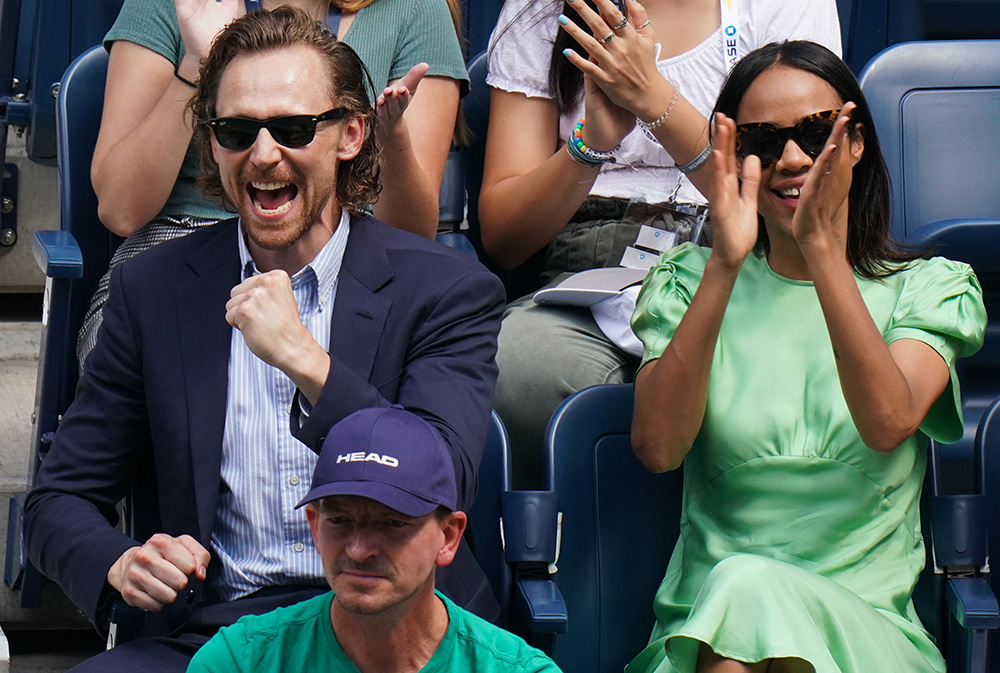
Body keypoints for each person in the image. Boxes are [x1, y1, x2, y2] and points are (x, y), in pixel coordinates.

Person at [24, 8, 505, 671]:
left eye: (293, 127)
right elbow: (56, 501)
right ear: (212, 142)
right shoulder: (156, 289)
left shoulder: (445, 291)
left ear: (351, 134)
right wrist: (120, 562)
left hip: (397, 631)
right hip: (220, 631)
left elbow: (441, 475)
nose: (264, 152)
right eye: (237, 130)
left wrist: (307, 362)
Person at [627, 40, 986, 673]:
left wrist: (821, 252)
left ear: (855, 143)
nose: (792, 159)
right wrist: (725, 263)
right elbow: (657, 448)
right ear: (735, 157)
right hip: (705, 633)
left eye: (816, 133)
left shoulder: (929, 287)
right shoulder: (691, 281)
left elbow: (887, 419)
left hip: (866, 635)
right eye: (763, 142)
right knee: (744, 588)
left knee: (749, 590)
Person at [479, 0, 842, 486]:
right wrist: (590, 147)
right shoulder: (542, 10)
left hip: (744, 252)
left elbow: (802, 205)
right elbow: (504, 239)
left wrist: (656, 101)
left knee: (762, 376)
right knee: (518, 366)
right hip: (593, 260)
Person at [77, 0, 468, 367]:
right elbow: (120, 209)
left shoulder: (415, 9)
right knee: (145, 377)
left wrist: (390, 138)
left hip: (344, 258)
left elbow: (410, 235)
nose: (265, 154)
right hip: (179, 246)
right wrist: (199, 65)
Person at [188, 407, 563, 673]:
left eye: (391, 524)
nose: (358, 549)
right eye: (339, 520)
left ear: (448, 537)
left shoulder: (516, 668)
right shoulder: (238, 661)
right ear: (315, 527)